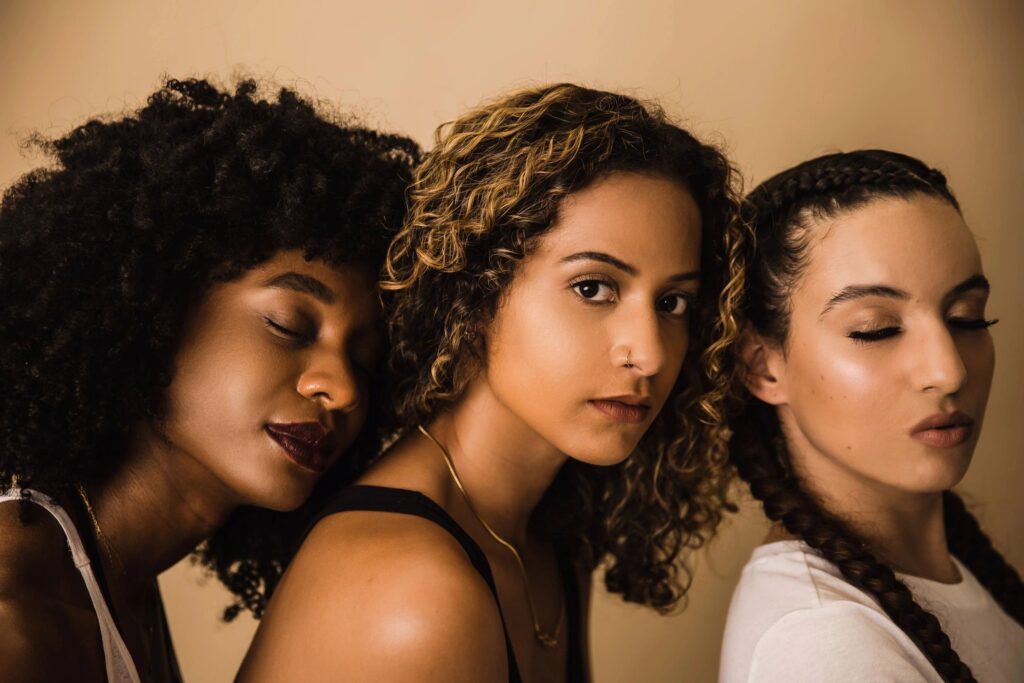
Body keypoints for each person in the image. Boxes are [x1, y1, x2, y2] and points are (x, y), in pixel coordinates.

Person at [240, 83, 746, 682]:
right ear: (477, 291)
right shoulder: (415, 590)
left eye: (673, 302)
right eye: (593, 287)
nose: (651, 353)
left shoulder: (545, 534)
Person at [0, 77, 418, 682]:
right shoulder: (19, 626)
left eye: (366, 359)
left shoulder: (120, 583)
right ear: (155, 306)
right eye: (289, 325)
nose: (345, 389)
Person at [718, 150, 1024, 682]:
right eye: (875, 329)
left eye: (967, 318)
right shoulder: (823, 644)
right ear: (763, 366)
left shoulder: (951, 568)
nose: (948, 372)